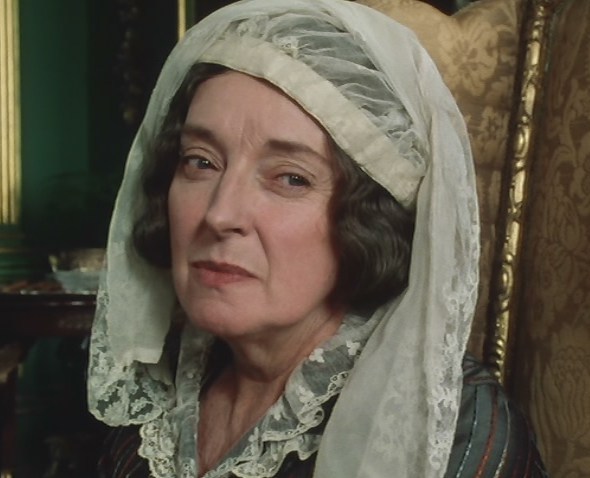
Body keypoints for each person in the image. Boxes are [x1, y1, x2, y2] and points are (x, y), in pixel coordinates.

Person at [87, 0, 548, 476]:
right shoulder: (151, 403)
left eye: (290, 178)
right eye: (201, 162)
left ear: (370, 219)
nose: (220, 214)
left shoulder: (450, 431)